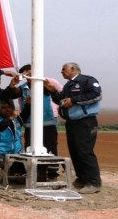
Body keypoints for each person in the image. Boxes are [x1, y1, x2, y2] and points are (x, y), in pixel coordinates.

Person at [46, 62, 103, 194]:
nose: (61, 72)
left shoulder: (87, 80)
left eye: (63, 69)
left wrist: (74, 100)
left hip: (85, 122)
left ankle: (93, 182)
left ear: (73, 69)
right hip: (72, 122)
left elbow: (96, 95)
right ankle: (82, 179)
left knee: (84, 151)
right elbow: (61, 101)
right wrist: (53, 91)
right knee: (75, 151)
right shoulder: (68, 85)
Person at [8, 64, 60, 179]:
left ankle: (52, 173)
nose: (28, 73)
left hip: (47, 122)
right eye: (25, 72)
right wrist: (13, 84)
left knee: (50, 147)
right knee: (31, 147)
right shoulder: (23, 88)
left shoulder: (44, 84)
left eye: (29, 70)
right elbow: (12, 94)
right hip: (30, 123)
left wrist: (52, 89)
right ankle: (35, 173)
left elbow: (58, 96)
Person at [0, 99, 24, 171]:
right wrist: (10, 118)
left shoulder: (17, 120)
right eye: (3, 108)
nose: (7, 109)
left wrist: (27, 104)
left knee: (23, 169)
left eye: (9, 107)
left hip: (16, 153)